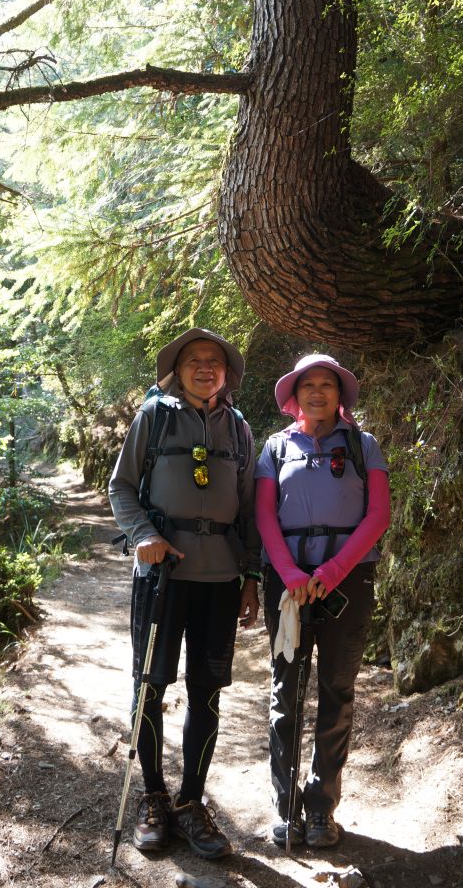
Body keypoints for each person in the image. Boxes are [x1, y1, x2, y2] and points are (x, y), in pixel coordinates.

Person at [109, 328, 261, 860]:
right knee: (150, 685)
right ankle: (153, 798)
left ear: (226, 373)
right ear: (177, 368)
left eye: (214, 361)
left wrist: (252, 577)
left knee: (207, 690)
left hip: (220, 580)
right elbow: (121, 486)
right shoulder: (154, 417)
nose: (204, 367)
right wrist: (143, 535)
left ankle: (191, 803)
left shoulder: (239, 429)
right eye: (194, 359)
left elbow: (248, 510)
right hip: (160, 577)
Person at [255, 354, 390, 848]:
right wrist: (291, 574)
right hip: (287, 586)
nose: (317, 392)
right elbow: (265, 516)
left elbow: (377, 515)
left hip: (349, 582)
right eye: (307, 385)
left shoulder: (362, 445)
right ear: (295, 395)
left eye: (326, 385)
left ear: (340, 394)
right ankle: (285, 807)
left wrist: (331, 573)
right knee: (286, 692)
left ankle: (321, 809)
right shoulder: (274, 448)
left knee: (336, 692)